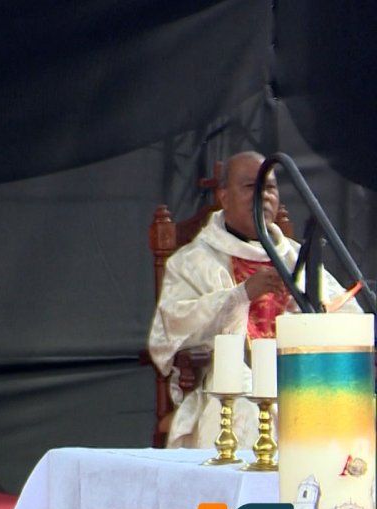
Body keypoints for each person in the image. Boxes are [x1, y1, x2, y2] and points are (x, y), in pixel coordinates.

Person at [148, 151, 360, 449]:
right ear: (223, 195)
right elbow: (172, 326)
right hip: (230, 384)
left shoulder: (295, 257)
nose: (263, 196)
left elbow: (348, 317)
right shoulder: (194, 261)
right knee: (248, 407)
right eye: (250, 187)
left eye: (270, 188)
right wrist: (242, 294)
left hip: (303, 380)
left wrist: (302, 311)